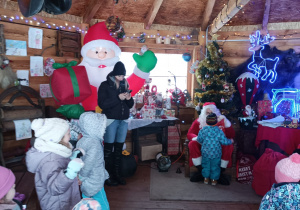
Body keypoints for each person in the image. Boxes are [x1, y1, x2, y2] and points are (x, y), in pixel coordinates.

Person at [79, 21, 157, 111]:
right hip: (86, 117)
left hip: (114, 117)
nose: (101, 56)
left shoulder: (117, 82)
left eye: (106, 51)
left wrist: (142, 69)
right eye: (96, 52)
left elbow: (129, 89)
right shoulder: (79, 77)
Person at [26, 118, 84, 210]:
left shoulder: (58, 152)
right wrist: (70, 173)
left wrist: (73, 176)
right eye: (68, 134)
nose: (70, 136)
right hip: (58, 204)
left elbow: (60, 171)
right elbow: (55, 188)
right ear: (58, 138)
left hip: (65, 199)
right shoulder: (50, 161)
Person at [98, 61, 134, 186]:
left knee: (119, 149)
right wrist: (118, 98)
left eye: (123, 76)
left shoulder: (125, 84)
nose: (122, 78)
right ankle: (107, 176)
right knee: (108, 150)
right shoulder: (105, 85)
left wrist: (129, 99)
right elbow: (102, 104)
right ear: (114, 75)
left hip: (123, 120)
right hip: (111, 120)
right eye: (119, 76)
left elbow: (130, 105)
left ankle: (117, 174)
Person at [187, 102, 235, 185]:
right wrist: (196, 139)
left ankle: (218, 173)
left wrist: (227, 124)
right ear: (203, 113)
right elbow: (190, 134)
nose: (209, 115)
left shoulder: (222, 121)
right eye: (207, 113)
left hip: (216, 147)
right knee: (192, 144)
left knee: (228, 147)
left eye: (211, 113)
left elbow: (231, 135)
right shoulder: (198, 121)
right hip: (206, 148)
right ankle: (203, 172)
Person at [74, 112, 110, 210]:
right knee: (102, 203)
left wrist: (79, 176)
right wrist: (81, 177)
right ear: (94, 128)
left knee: (86, 203)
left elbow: (77, 158)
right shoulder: (94, 143)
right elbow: (89, 163)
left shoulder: (82, 140)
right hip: (94, 179)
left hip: (85, 180)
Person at [196, 113, 233, 186]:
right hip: (216, 153)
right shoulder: (219, 131)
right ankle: (214, 180)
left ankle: (206, 178)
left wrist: (203, 143)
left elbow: (199, 139)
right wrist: (230, 141)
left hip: (205, 152)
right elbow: (224, 141)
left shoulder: (203, 131)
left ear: (206, 122)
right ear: (216, 122)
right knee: (215, 166)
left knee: (206, 165)